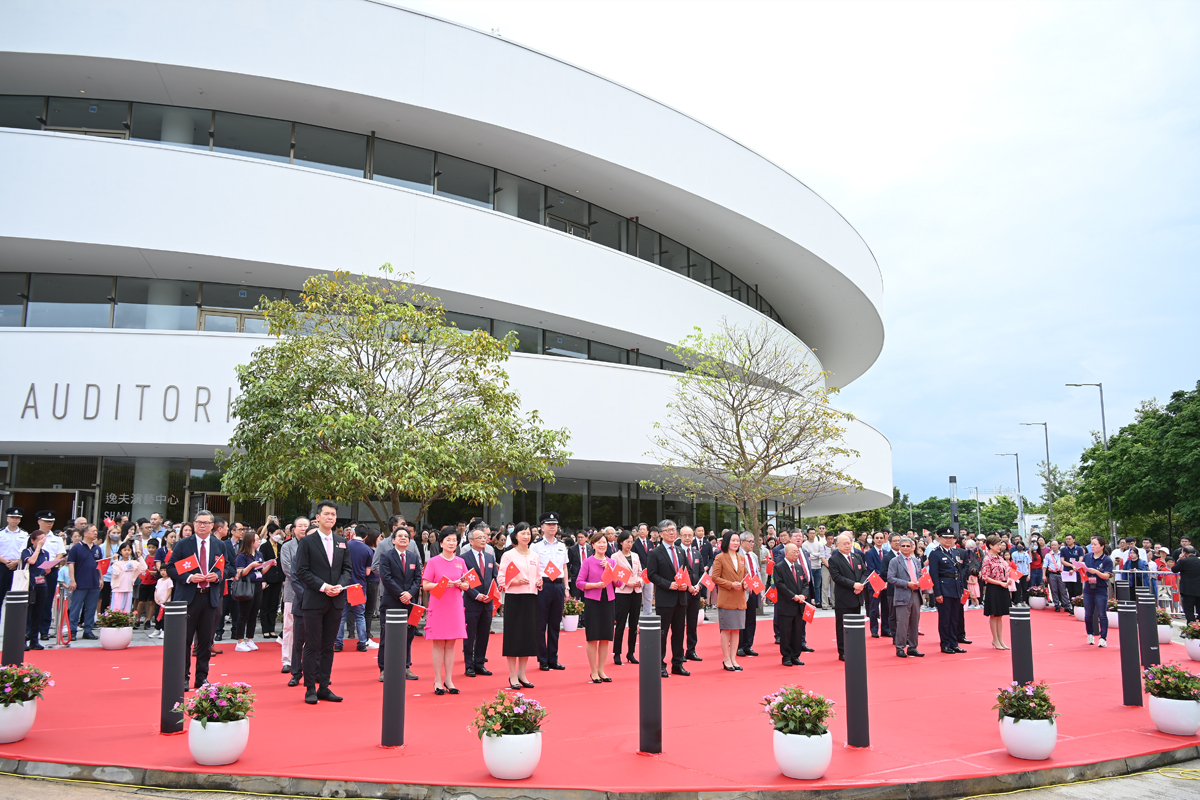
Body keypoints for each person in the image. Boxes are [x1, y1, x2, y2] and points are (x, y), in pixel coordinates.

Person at [166, 510, 232, 689]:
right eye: (199, 522)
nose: (202, 525)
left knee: (205, 641)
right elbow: (170, 568)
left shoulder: (219, 545)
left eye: (206, 523)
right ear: (194, 524)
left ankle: (202, 677)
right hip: (189, 597)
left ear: (212, 526)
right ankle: (183, 677)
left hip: (210, 597)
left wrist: (217, 576)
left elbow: (228, 568)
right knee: (184, 640)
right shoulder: (183, 544)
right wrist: (188, 577)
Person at [294, 501, 352, 705]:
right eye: (326, 514)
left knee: (328, 646)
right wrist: (324, 586)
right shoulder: (307, 542)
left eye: (333, 514)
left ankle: (324, 687)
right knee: (312, 645)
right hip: (314, 600)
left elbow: (347, 569)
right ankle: (310, 688)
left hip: (336, 600)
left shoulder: (342, 541)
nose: (330, 517)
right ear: (317, 518)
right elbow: (302, 571)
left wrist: (339, 586)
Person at [421, 527, 469, 695]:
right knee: (439, 643)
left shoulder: (460, 561)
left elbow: (467, 583)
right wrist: (441, 584)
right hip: (439, 605)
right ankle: (437, 681)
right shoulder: (433, 562)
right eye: (448, 540)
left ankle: (449, 679)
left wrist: (463, 584)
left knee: (451, 644)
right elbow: (425, 585)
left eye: (454, 540)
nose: (451, 543)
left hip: (455, 605)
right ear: (441, 543)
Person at [377, 526, 422, 682]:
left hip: (410, 602)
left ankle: (405, 666)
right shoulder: (386, 556)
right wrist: (401, 594)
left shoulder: (413, 557)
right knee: (387, 636)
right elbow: (386, 578)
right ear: (393, 540)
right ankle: (384, 669)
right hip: (391, 601)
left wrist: (410, 593)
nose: (403, 538)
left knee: (408, 636)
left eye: (406, 536)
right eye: (400, 536)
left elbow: (418, 579)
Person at [498, 522, 540, 690]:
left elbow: (538, 575)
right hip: (514, 599)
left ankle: (522, 674)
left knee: (527, 637)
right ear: (515, 536)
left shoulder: (535, 556)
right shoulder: (509, 555)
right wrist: (515, 582)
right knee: (513, 637)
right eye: (522, 533)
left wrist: (540, 581)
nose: (526, 536)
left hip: (531, 599)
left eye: (528, 533)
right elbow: (501, 579)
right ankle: (513, 674)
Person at [646, 520, 690, 677]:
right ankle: (660, 665)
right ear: (660, 533)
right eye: (668, 530)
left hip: (681, 598)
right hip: (665, 598)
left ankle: (678, 664)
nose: (672, 533)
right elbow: (651, 574)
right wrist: (668, 584)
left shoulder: (681, 551)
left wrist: (686, 584)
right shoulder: (655, 553)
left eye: (674, 530)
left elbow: (686, 572)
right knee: (662, 634)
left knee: (679, 633)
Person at [576, 530, 616, 683]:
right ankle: (593, 671)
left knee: (605, 637)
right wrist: (595, 585)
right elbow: (579, 583)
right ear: (592, 545)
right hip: (593, 601)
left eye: (604, 542)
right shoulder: (588, 562)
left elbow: (618, 583)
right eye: (599, 542)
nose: (602, 545)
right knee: (593, 637)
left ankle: (601, 670)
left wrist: (610, 570)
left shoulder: (611, 562)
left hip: (609, 601)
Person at [530, 512, 568, 672]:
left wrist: (566, 587)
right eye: (549, 524)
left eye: (554, 524)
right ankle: (543, 659)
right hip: (543, 586)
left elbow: (564, 566)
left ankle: (553, 658)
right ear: (542, 527)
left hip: (558, 585)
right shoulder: (536, 546)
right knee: (540, 624)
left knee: (555, 624)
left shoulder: (561, 545)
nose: (552, 527)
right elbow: (532, 566)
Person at [461, 527, 497, 677]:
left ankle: (480, 664)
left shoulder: (490, 557)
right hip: (472, 601)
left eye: (484, 537)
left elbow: (494, 577)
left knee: (484, 634)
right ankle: (469, 665)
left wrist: (492, 594)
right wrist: (476, 595)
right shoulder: (464, 558)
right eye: (480, 538)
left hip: (487, 602)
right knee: (469, 635)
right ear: (471, 541)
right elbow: (463, 580)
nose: (484, 540)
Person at [710, 530, 747, 671]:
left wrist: (745, 584)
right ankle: (726, 659)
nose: (736, 543)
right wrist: (731, 584)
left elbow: (745, 576)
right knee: (726, 629)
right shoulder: (720, 557)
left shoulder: (741, 558)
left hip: (740, 598)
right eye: (733, 540)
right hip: (727, 598)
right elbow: (715, 577)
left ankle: (733, 659)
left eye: (738, 540)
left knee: (736, 630)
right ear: (727, 542)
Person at [928, 527, 968, 655]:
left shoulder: (955, 552)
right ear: (939, 538)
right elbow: (934, 575)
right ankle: (945, 644)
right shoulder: (935, 553)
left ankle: (954, 643)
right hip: (944, 588)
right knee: (945, 619)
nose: (948, 540)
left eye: (951, 538)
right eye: (945, 538)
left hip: (955, 588)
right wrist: (938, 593)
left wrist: (961, 589)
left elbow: (959, 572)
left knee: (954, 618)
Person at [828, 531, 866, 661]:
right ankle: (843, 651)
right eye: (844, 544)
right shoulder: (834, 559)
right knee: (842, 626)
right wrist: (854, 585)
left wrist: (860, 585)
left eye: (849, 543)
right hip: (844, 597)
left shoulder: (857, 557)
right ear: (837, 545)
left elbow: (865, 572)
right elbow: (837, 577)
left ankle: (855, 648)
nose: (847, 546)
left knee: (856, 625)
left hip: (857, 595)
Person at [336, 527, 374, 653]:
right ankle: (362, 642)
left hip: (344, 584)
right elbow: (368, 572)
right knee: (360, 615)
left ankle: (338, 643)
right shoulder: (368, 550)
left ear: (354, 533)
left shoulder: (345, 545)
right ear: (366, 536)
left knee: (341, 615)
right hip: (358, 586)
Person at [886, 536, 924, 658]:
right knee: (902, 623)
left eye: (908, 546)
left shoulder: (916, 561)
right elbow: (890, 578)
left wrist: (923, 583)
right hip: (902, 595)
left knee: (914, 623)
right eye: (903, 546)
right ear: (899, 547)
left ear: (913, 547)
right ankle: (900, 647)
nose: (906, 548)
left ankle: (913, 647)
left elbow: (920, 575)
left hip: (916, 594)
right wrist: (907, 584)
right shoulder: (894, 561)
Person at [281, 516, 308, 683]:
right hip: (293, 590)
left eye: (306, 526)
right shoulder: (287, 546)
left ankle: (306, 662)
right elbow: (287, 568)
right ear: (294, 529)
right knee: (289, 626)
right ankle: (287, 660)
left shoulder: (313, 545)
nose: (303, 528)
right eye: (300, 526)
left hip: (312, 592)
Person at [611, 530, 643, 665]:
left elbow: (640, 572)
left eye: (631, 542)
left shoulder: (635, 555)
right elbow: (614, 575)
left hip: (636, 592)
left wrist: (640, 581)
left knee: (634, 624)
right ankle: (617, 653)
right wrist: (626, 583)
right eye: (627, 542)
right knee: (620, 624)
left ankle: (631, 653)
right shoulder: (615, 557)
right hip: (622, 592)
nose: (630, 544)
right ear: (620, 542)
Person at [66, 523, 104, 640]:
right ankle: (72, 631)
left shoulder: (97, 548)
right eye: (93, 531)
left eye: (96, 531)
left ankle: (88, 630)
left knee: (91, 608)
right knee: (76, 608)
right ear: (86, 533)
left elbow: (100, 564)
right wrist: (72, 580)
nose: (96, 533)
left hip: (94, 582)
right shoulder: (76, 548)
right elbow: (71, 564)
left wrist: (101, 578)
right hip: (80, 583)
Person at [233, 533, 265, 652]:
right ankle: (240, 640)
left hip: (258, 585)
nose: (259, 541)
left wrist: (269, 564)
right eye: (257, 540)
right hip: (247, 585)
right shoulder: (242, 556)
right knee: (243, 614)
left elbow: (261, 571)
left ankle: (250, 639)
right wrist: (251, 565)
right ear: (250, 542)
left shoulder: (259, 554)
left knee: (254, 614)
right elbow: (241, 573)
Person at [979, 534, 1011, 649]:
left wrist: (1007, 580)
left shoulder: (1000, 558)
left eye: (1000, 544)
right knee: (994, 614)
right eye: (997, 545)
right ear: (991, 546)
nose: (1000, 546)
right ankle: (995, 639)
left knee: (1000, 615)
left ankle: (1000, 639)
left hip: (1003, 586)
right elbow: (985, 577)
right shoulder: (987, 559)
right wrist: (1000, 583)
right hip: (993, 588)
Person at [1081, 535, 1114, 647]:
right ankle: (1090, 634)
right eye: (1092, 544)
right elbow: (1083, 569)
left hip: (1100, 589)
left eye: (1095, 544)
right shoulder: (1087, 557)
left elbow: (1107, 576)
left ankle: (1103, 638)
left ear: (1102, 546)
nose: (1093, 546)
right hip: (1088, 588)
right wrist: (1078, 569)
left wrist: (1096, 572)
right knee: (1088, 614)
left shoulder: (1107, 560)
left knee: (1102, 614)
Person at [678, 526, 704, 662]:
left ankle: (691, 650)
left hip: (695, 593)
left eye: (690, 535)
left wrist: (698, 586)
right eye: (685, 535)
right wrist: (688, 587)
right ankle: (679, 652)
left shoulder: (697, 553)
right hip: (682, 593)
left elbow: (702, 573)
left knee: (692, 624)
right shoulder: (677, 552)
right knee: (679, 624)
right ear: (680, 536)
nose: (687, 538)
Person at [21, 530, 50, 651]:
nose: (42, 542)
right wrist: (37, 548)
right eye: (40, 540)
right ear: (33, 540)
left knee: (38, 612)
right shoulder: (27, 551)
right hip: (29, 584)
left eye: (44, 539)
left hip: (41, 584)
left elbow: (46, 569)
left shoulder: (46, 553)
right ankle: (23, 639)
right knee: (27, 613)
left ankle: (34, 640)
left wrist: (48, 568)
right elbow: (31, 561)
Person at [259, 520, 285, 640]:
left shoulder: (280, 546)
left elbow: (282, 564)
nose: (278, 536)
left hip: (278, 579)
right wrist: (263, 579)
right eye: (276, 533)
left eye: (279, 533)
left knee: (274, 605)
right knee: (265, 605)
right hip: (267, 578)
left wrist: (283, 578)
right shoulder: (264, 547)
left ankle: (272, 628)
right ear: (270, 534)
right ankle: (265, 629)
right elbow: (261, 564)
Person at [863, 531, 891, 639]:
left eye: (881, 538)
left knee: (886, 607)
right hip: (875, 583)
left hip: (886, 583)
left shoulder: (887, 553)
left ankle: (885, 629)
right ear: (873, 539)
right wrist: (883, 577)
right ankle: (874, 630)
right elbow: (871, 569)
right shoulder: (869, 553)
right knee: (874, 608)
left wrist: (886, 580)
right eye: (877, 538)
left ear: (884, 539)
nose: (879, 540)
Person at [737, 533, 761, 657]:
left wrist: (760, 590)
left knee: (751, 619)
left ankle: (748, 645)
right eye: (750, 541)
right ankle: (739, 646)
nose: (752, 544)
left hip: (753, 590)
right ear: (742, 542)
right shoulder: (737, 555)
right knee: (741, 619)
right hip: (741, 591)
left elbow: (756, 573)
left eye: (753, 542)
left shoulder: (753, 556)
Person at [109, 541, 145, 613]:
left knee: (126, 610)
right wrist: (115, 560)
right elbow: (116, 573)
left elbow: (144, 568)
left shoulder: (133, 562)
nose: (127, 552)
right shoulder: (117, 563)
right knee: (116, 610)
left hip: (128, 588)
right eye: (125, 550)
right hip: (118, 589)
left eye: (129, 550)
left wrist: (140, 557)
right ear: (120, 551)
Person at [1172, 546, 1200, 623]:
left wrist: (1179, 559)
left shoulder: (1183, 561)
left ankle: (1191, 626)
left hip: (1188, 589)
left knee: (1189, 610)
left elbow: (1174, 569)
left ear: (1184, 553)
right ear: (1195, 553)